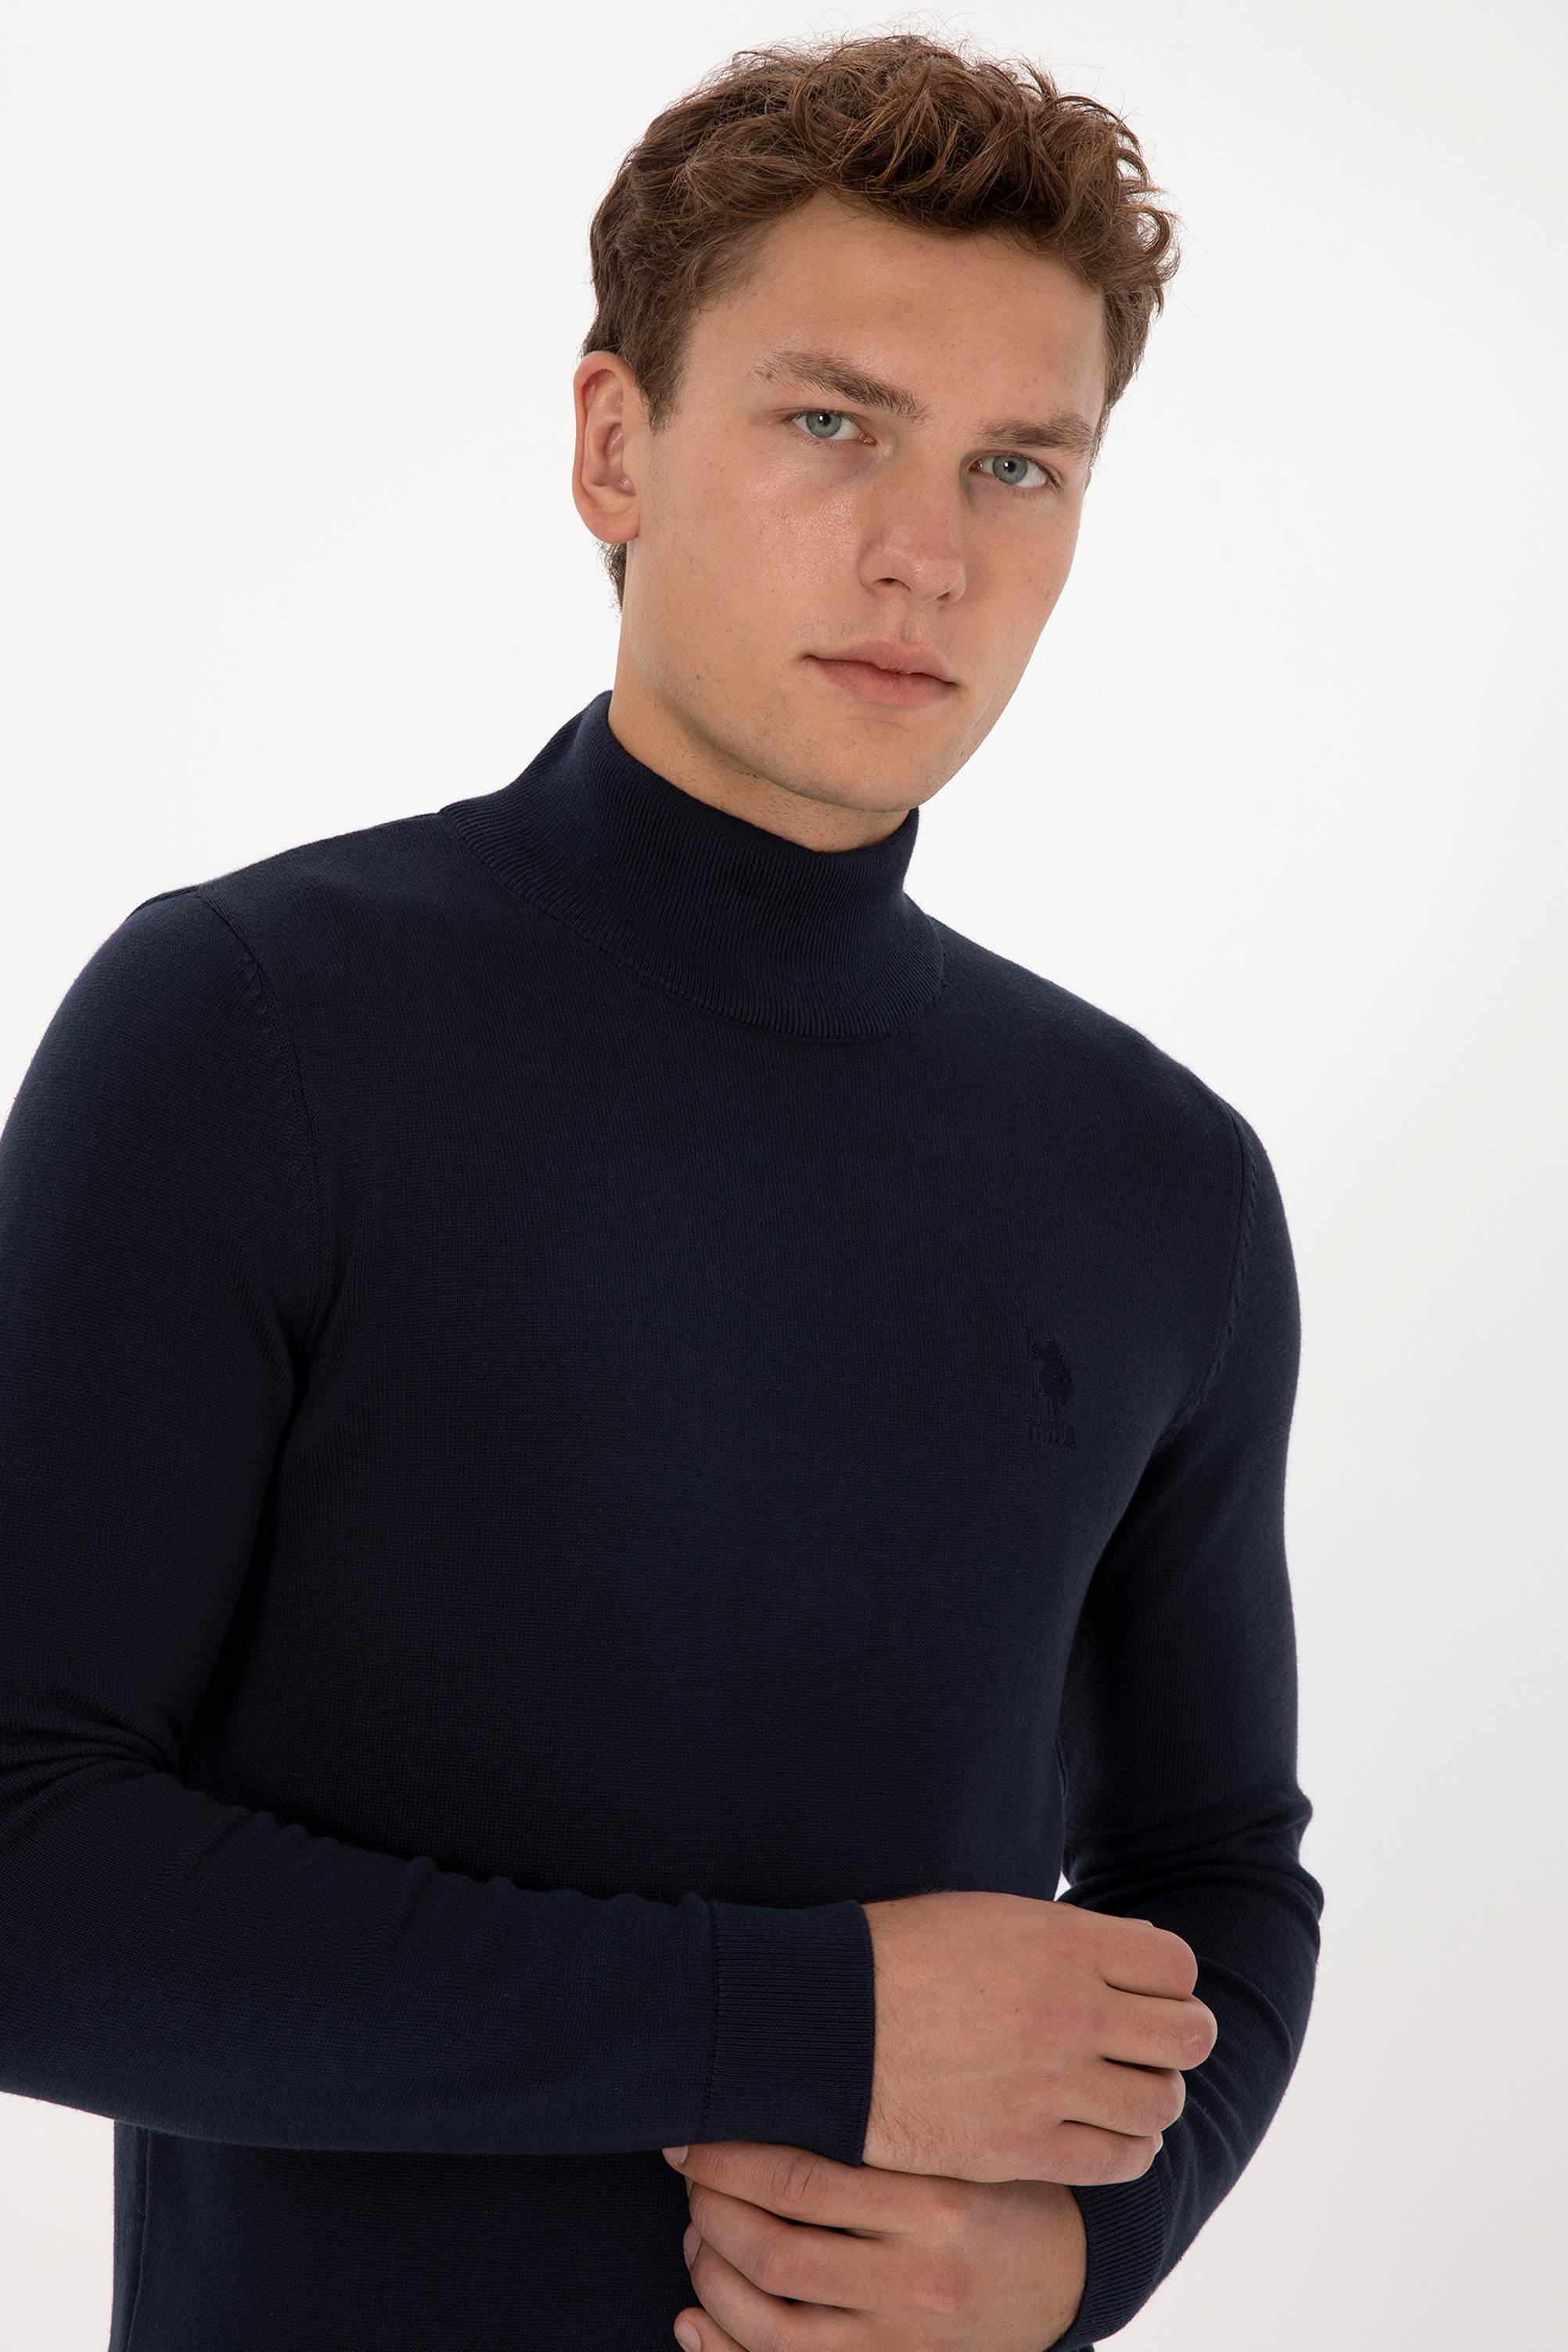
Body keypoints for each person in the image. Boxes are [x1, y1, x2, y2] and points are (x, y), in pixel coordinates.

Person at [0, 33, 1322, 2352]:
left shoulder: (1161, 1180)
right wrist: (808, 2025)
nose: (926, 551)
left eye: (1017, 464)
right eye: (832, 424)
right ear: (615, 443)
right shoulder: (255, 1026)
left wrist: (1080, 2256)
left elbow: (1215, 1869)